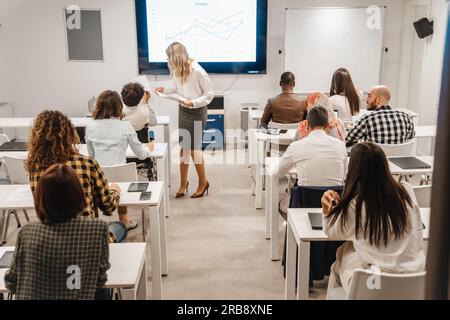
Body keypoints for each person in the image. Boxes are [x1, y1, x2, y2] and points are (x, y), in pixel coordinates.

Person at [321, 143, 426, 298]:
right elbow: (417, 230)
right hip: (416, 280)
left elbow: (331, 232)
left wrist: (326, 210)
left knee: (342, 256)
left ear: (354, 170)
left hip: (375, 285)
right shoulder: (407, 191)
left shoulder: (355, 205)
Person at [5, 164, 111, 300]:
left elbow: (12, 282)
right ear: (78, 194)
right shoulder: (97, 228)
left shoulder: (27, 231)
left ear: (40, 197)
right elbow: (99, 280)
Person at [26, 110, 127, 242]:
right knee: (120, 226)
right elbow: (108, 207)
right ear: (69, 134)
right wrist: (115, 190)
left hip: (50, 240)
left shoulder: (35, 167)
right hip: (88, 240)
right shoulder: (87, 163)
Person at [86, 90, 155, 230]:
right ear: (119, 107)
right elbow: (141, 155)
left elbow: (91, 156)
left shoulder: (90, 126)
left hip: (99, 178)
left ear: (98, 106)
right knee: (120, 178)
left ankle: (95, 224)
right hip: (124, 178)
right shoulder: (125, 126)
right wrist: (149, 148)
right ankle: (124, 220)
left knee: (103, 175)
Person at [155, 42, 214, 199]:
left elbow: (209, 95)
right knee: (183, 148)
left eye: (169, 57)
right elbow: (175, 89)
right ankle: (183, 183)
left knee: (194, 149)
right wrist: (164, 90)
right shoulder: (177, 71)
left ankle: (203, 183)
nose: (168, 60)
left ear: (176, 57)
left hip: (197, 111)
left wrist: (193, 102)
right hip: (183, 111)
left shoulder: (198, 71)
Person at [271, 106, 347, 186]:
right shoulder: (341, 146)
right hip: (333, 197)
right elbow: (344, 175)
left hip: (305, 197)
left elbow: (277, 173)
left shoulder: (296, 147)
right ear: (327, 125)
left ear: (307, 124)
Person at [346, 85, 416, 146]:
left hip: (374, 160)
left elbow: (347, 138)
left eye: (369, 96)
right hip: (397, 160)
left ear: (378, 99)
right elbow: (411, 136)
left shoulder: (368, 119)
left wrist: (350, 128)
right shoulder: (405, 117)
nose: (366, 100)